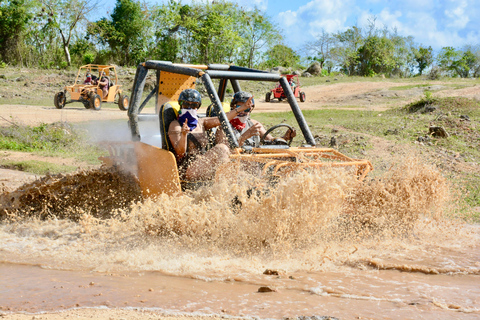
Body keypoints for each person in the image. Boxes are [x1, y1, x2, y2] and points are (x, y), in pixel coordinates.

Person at [168, 89, 252, 181]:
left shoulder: (201, 122)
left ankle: (250, 184)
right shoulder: (175, 125)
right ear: (180, 104)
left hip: (204, 164)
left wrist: (240, 109)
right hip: (188, 169)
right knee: (221, 148)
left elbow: (223, 119)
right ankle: (226, 186)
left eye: (194, 105)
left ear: (198, 106)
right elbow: (180, 153)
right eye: (186, 104)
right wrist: (184, 134)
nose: (189, 107)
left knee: (246, 167)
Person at [215, 91, 296, 148]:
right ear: (233, 107)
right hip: (235, 167)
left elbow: (271, 141)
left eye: (246, 109)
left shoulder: (255, 125)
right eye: (239, 108)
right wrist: (243, 138)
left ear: (250, 109)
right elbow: (224, 153)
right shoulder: (223, 128)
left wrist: (285, 138)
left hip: (256, 165)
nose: (242, 111)